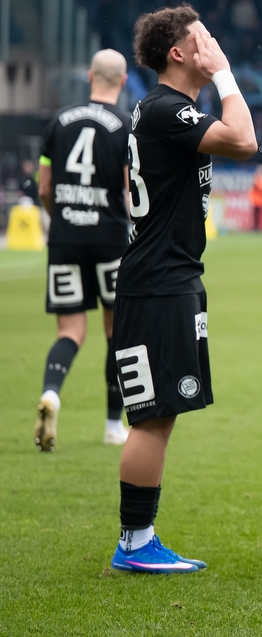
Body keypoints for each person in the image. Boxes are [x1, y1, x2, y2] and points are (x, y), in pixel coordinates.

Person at [111, 4, 256, 574]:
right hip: (158, 283)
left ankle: (138, 539)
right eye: (204, 39)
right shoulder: (169, 110)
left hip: (165, 277)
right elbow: (245, 141)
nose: (213, 44)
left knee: (159, 413)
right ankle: (135, 543)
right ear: (179, 53)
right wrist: (225, 75)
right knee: (151, 415)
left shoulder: (162, 111)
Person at [34, 50, 131, 452]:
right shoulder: (126, 127)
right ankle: (112, 425)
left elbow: (43, 187)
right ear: (122, 82)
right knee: (116, 333)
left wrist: (62, 219)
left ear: (90, 77)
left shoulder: (58, 122)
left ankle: (52, 394)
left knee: (70, 331)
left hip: (65, 238)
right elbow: (128, 193)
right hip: (110, 238)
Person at [249, 164, 262, 231]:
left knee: (258, 214)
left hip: (260, 200)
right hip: (256, 200)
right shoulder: (257, 179)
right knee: (256, 215)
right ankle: (256, 227)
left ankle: (257, 227)